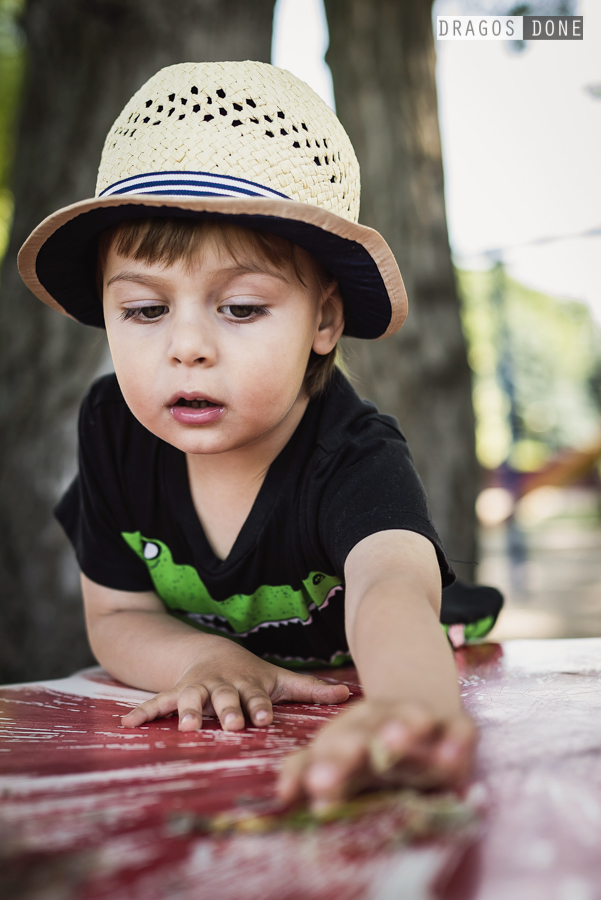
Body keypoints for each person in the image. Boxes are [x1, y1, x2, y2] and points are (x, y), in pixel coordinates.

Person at [18, 61, 501, 809]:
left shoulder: (353, 454)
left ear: (324, 321)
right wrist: (209, 659)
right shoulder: (113, 430)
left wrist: (412, 706)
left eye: (240, 308)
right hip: (230, 744)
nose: (187, 347)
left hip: (391, 672)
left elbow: (391, 589)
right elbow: (118, 615)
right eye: (145, 311)